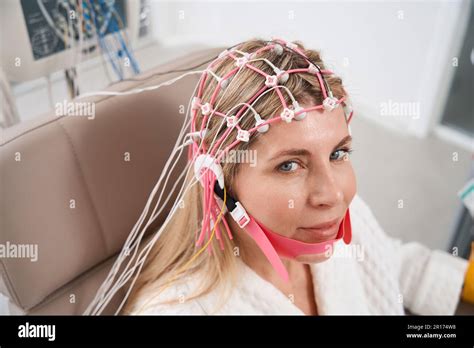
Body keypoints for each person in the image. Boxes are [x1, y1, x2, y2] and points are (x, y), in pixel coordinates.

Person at [87, 38, 472, 315]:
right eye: (290, 165)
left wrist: (465, 279)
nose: (333, 194)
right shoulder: (178, 310)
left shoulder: (336, 221)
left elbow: (388, 262)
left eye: (338, 153)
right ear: (220, 181)